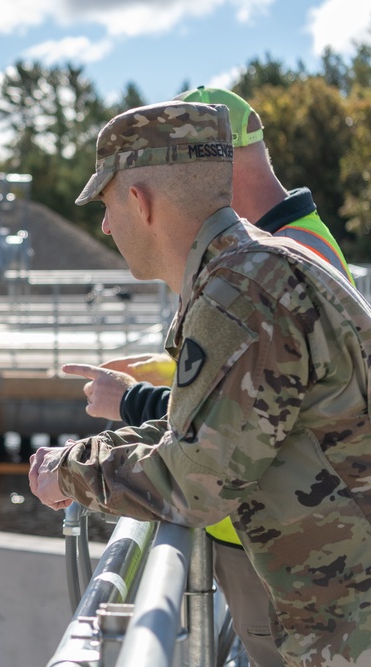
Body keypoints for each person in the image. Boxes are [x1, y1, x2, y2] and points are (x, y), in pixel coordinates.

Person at [28, 99, 371, 667]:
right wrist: (99, 450)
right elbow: (208, 427)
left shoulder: (239, 293)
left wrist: (70, 473)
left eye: (108, 206)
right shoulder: (259, 265)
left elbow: (195, 484)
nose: (107, 225)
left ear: (139, 202)